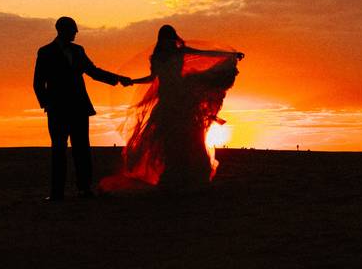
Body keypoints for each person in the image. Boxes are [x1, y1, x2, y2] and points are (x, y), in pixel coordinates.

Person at [103, 24, 243, 193]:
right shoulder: (157, 58)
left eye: (171, 38)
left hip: (181, 100)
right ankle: (175, 176)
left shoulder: (179, 52)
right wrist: (133, 81)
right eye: (166, 38)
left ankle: (190, 176)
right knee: (170, 141)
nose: (169, 41)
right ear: (162, 40)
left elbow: (203, 53)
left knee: (190, 137)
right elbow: (152, 78)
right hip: (167, 102)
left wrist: (230, 55)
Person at [33, 16, 132, 201]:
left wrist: (117, 79)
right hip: (58, 110)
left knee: (82, 150)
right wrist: (48, 104)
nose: (76, 33)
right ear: (62, 30)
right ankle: (57, 193)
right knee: (59, 150)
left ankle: (84, 189)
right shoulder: (45, 52)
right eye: (73, 29)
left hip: (78, 108)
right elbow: (38, 82)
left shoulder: (78, 51)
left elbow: (93, 71)